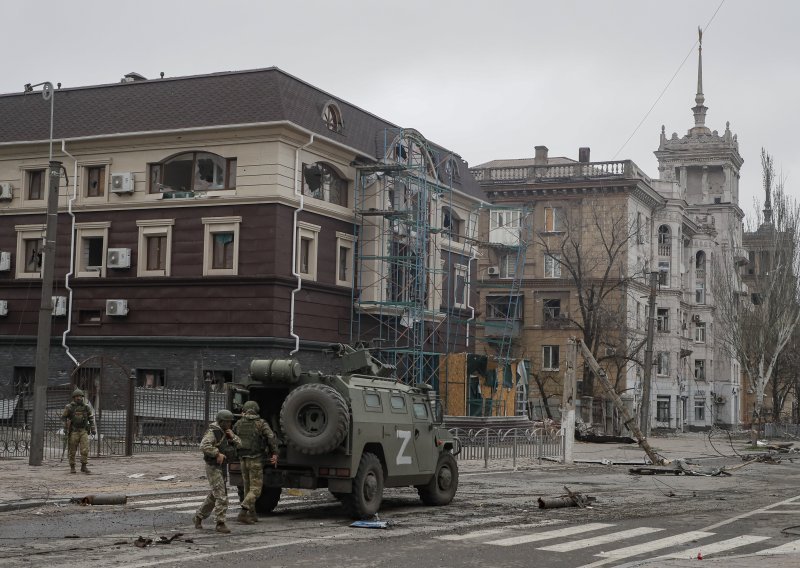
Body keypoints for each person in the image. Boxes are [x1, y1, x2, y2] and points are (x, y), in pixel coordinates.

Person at [194, 410, 241, 533]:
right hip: (213, 467)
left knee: (214, 496)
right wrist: (217, 453)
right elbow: (203, 446)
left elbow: (240, 444)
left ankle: (198, 516)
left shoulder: (226, 432)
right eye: (228, 421)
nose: (230, 423)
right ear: (222, 422)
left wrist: (233, 436)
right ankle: (220, 523)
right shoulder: (213, 432)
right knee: (221, 496)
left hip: (222, 467)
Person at [232, 401, 279, 524]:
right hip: (256, 459)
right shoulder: (261, 423)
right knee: (256, 490)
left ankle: (252, 515)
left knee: (247, 489)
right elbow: (271, 437)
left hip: (243, 460)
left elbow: (233, 437)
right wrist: (274, 453)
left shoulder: (238, 423)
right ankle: (243, 512)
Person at [61, 389, 96, 474]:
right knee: (72, 449)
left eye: (80, 396)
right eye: (76, 396)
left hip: (83, 430)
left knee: (85, 449)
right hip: (74, 431)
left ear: (82, 397)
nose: (78, 398)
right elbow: (63, 418)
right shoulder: (69, 407)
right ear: (74, 398)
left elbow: (91, 418)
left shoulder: (86, 407)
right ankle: (72, 466)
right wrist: (65, 427)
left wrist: (93, 428)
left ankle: (84, 466)